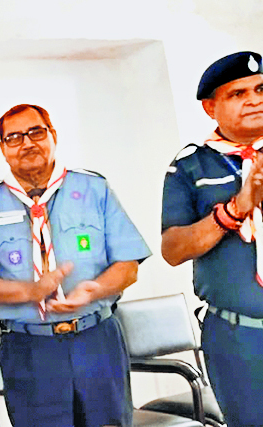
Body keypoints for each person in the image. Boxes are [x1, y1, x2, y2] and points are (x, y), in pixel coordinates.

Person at [0, 104, 150, 427]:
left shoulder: (94, 189)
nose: (27, 143)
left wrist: (94, 290)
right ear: (3, 148)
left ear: (53, 136)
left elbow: (129, 266)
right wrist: (30, 291)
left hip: (96, 339)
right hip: (29, 349)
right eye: (14, 137)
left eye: (36, 132)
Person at [161, 51, 263, 426]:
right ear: (210, 107)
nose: (253, 100)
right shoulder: (190, 165)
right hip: (239, 336)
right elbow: (173, 250)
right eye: (238, 93)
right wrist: (235, 209)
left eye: (261, 89)